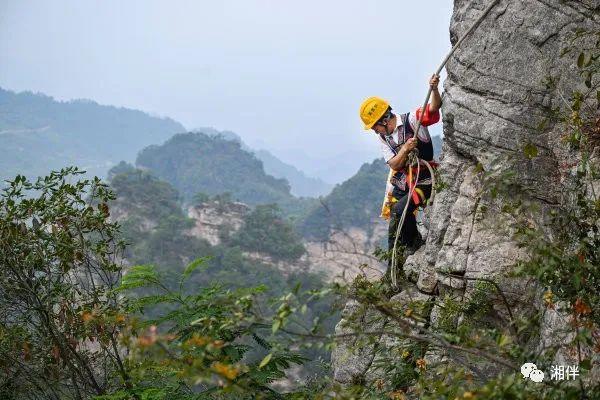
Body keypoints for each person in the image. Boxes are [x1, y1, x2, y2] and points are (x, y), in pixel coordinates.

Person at [359, 74, 442, 273]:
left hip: (425, 179)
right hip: (404, 180)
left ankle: (414, 243)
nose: (375, 131)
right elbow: (395, 165)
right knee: (394, 222)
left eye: (375, 127)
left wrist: (435, 89)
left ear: (385, 119)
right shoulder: (384, 138)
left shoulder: (412, 120)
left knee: (399, 210)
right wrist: (405, 149)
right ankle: (394, 266)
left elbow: (433, 109)